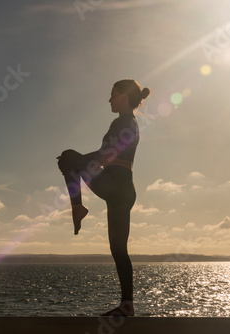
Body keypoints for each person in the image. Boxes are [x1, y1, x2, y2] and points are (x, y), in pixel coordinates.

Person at [57, 79, 150, 317]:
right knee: (118, 249)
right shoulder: (126, 122)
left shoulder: (125, 123)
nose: (109, 99)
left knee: (67, 157)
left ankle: (77, 207)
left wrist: (76, 161)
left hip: (115, 185)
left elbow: (105, 155)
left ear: (125, 97)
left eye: (113, 94)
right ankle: (127, 305)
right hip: (121, 189)